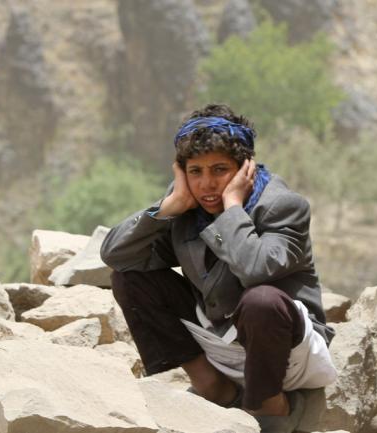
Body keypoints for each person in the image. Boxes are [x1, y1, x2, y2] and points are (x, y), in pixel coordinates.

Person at [100, 104, 337, 433]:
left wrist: (232, 208)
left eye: (219, 169)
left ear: (244, 168)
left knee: (261, 300)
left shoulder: (282, 206)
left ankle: (270, 405)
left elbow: (255, 269)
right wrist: (165, 209)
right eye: (195, 171)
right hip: (221, 338)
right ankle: (212, 386)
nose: (206, 184)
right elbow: (116, 255)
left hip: (287, 350)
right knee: (130, 278)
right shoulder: (186, 206)